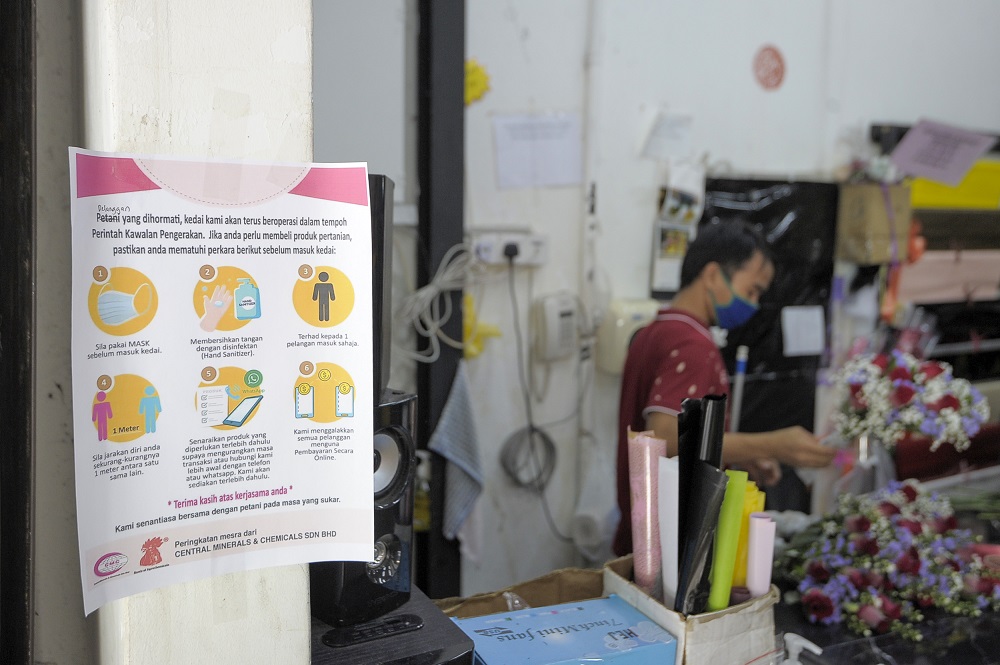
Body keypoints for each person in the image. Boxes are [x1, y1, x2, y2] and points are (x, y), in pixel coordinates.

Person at [613, 220, 835, 556]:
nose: (754, 304)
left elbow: (685, 436)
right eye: (752, 290)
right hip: (666, 549)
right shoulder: (692, 345)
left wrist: (744, 453)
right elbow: (663, 437)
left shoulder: (654, 331)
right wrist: (774, 445)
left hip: (640, 536)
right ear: (713, 275)